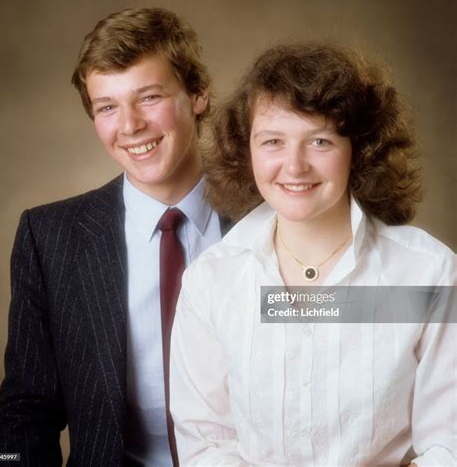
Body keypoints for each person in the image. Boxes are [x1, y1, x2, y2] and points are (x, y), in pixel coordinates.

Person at [170, 43, 456, 466]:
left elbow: (448, 443)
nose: (295, 165)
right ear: (246, 150)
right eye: (272, 141)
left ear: (358, 148)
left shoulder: (425, 273)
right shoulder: (212, 281)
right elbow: (207, 444)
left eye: (319, 141)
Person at [0, 7, 231, 467]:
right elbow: (26, 413)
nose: (129, 125)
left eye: (149, 97)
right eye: (107, 107)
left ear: (198, 95)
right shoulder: (50, 239)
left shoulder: (274, 221)